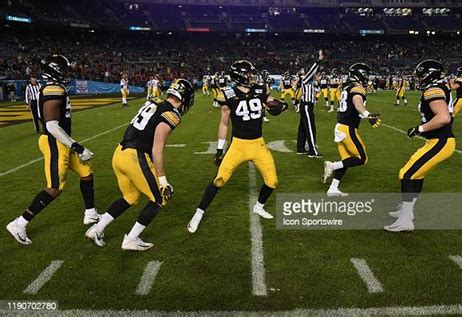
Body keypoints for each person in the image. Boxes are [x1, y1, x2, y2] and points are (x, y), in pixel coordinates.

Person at [86, 79, 194, 250]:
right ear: (185, 98)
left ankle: (96, 229)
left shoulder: (154, 101)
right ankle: (131, 239)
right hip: (134, 156)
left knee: (130, 197)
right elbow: (157, 150)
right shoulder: (171, 114)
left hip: (119, 153)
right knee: (160, 198)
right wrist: (163, 180)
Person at [6, 55, 100, 245]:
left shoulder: (53, 87)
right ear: (56, 70)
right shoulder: (53, 89)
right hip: (54, 141)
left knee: (86, 171)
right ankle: (19, 223)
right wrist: (77, 146)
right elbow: (51, 125)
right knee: (55, 187)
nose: (67, 73)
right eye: (64, 69)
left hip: (60, 140)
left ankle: (90, 213)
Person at [187, 60, 288, 233]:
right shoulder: (227, 94)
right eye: (248, 74)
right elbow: (224, 124)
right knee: (220, 179)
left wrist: (280, 106)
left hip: (258, 143)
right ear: (240, 76)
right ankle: (198, 213)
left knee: (272, 181)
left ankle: (259, 206)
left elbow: (271, 102)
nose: (252, 77)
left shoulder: (259, 89)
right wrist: (220, 149)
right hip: (238, 145)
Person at [385, 60, 456, 232]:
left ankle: (406, 220)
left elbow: (444, 117)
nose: (418, 79)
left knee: (407, 174)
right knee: (416, 174)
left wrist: (419, 129)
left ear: (428, 74)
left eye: (420, 75)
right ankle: (407, 212)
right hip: (437, 140)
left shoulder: (433, 90)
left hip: (441, 141)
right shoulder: (441, 86)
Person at [322, 63, 381, 197]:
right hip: (347, 128)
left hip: (340, 126)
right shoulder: (357, 88)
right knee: (362, 158)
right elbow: (357, 102)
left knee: (347, 160)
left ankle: (333, 188)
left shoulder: (347, 86)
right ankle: (332, 166)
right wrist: (368, 115)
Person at [296, 62, 321, 158]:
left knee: (302, 127)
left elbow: (318, 90)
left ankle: (300, 148)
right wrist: (318, 61)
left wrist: (317, 82)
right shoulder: (305, 79)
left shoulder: (311, 82)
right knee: (310, 128)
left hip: (308, 106)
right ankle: (312, 151)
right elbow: (312, 71)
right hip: (306, 105)